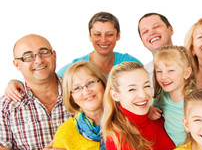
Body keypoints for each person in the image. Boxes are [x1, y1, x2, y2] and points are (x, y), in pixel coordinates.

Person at [5, 12, 142, 102]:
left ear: (118, 35)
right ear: (89, 35)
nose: (103, 40)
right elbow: (48, 78)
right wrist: (14, 82)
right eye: (97, 34)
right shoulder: (76, 67)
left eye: (110, 34)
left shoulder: (130, 63)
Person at [148, 45, 196, 146]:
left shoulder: (195, 99)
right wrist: (150, 110)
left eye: (170, 71)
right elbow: (153, 110)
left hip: (192, 149)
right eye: (159, 72)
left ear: (186, 73)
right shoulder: (162, 96)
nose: (164, 77)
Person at [137, 13, 174, 86]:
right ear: (143, 42)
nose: (151, 32)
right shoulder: (143, 75)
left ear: (170, 29)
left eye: (156, 26)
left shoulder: (194, 60)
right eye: (145, 31)